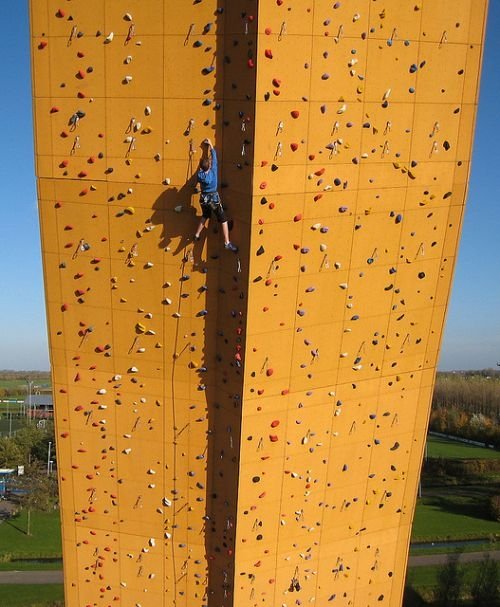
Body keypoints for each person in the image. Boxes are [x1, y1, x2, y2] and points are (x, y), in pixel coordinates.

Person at [194, 139, 238, 252]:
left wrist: (203, 162)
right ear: (209, 166)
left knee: (205, 215)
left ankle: (197, 234)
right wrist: (211, 147)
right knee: (223, 219)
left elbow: (202, 169)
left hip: (204, 199)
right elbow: (214, 159)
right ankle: (227, 242)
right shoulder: (213, 171)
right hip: (213, 199)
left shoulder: (200, 175)